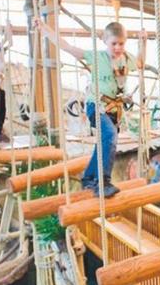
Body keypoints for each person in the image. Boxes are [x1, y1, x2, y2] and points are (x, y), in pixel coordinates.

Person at [37, 19, 143, 197]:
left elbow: (140, 63)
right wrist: (46, 30)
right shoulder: (98, 57)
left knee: (105, 141)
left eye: (121, 43)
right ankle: (102, 182)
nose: (118, 48)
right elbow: (68, 48)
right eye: (114, 44)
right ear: (105, 41)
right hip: (96, 105)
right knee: (109, 136)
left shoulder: (126, 58)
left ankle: (89, 178)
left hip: (113, 109)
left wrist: (143, 43)